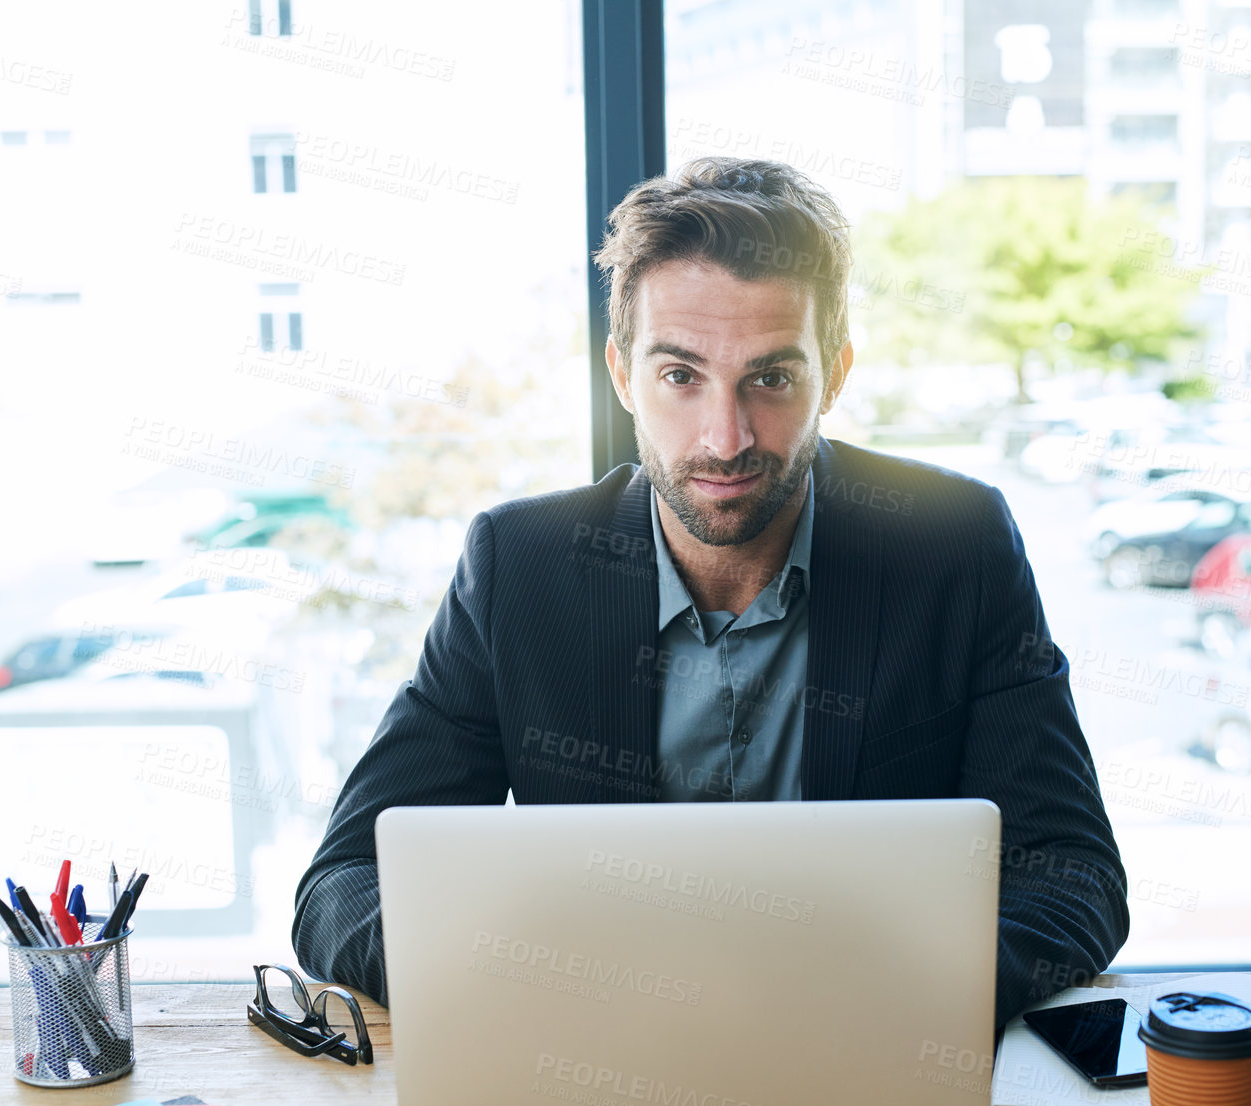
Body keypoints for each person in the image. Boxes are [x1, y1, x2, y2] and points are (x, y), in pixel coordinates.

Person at [293, 157, 1128, 1027]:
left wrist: (881, 1002)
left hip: (862, 1053)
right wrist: (536, 990)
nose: (724, 438)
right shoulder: (519, 565)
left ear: (833, 375)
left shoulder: (955, 544)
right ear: (623, 376)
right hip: (597, 1062)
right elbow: (344, 883)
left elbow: (1072, 872)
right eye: (680, 377)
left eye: (770, 378)